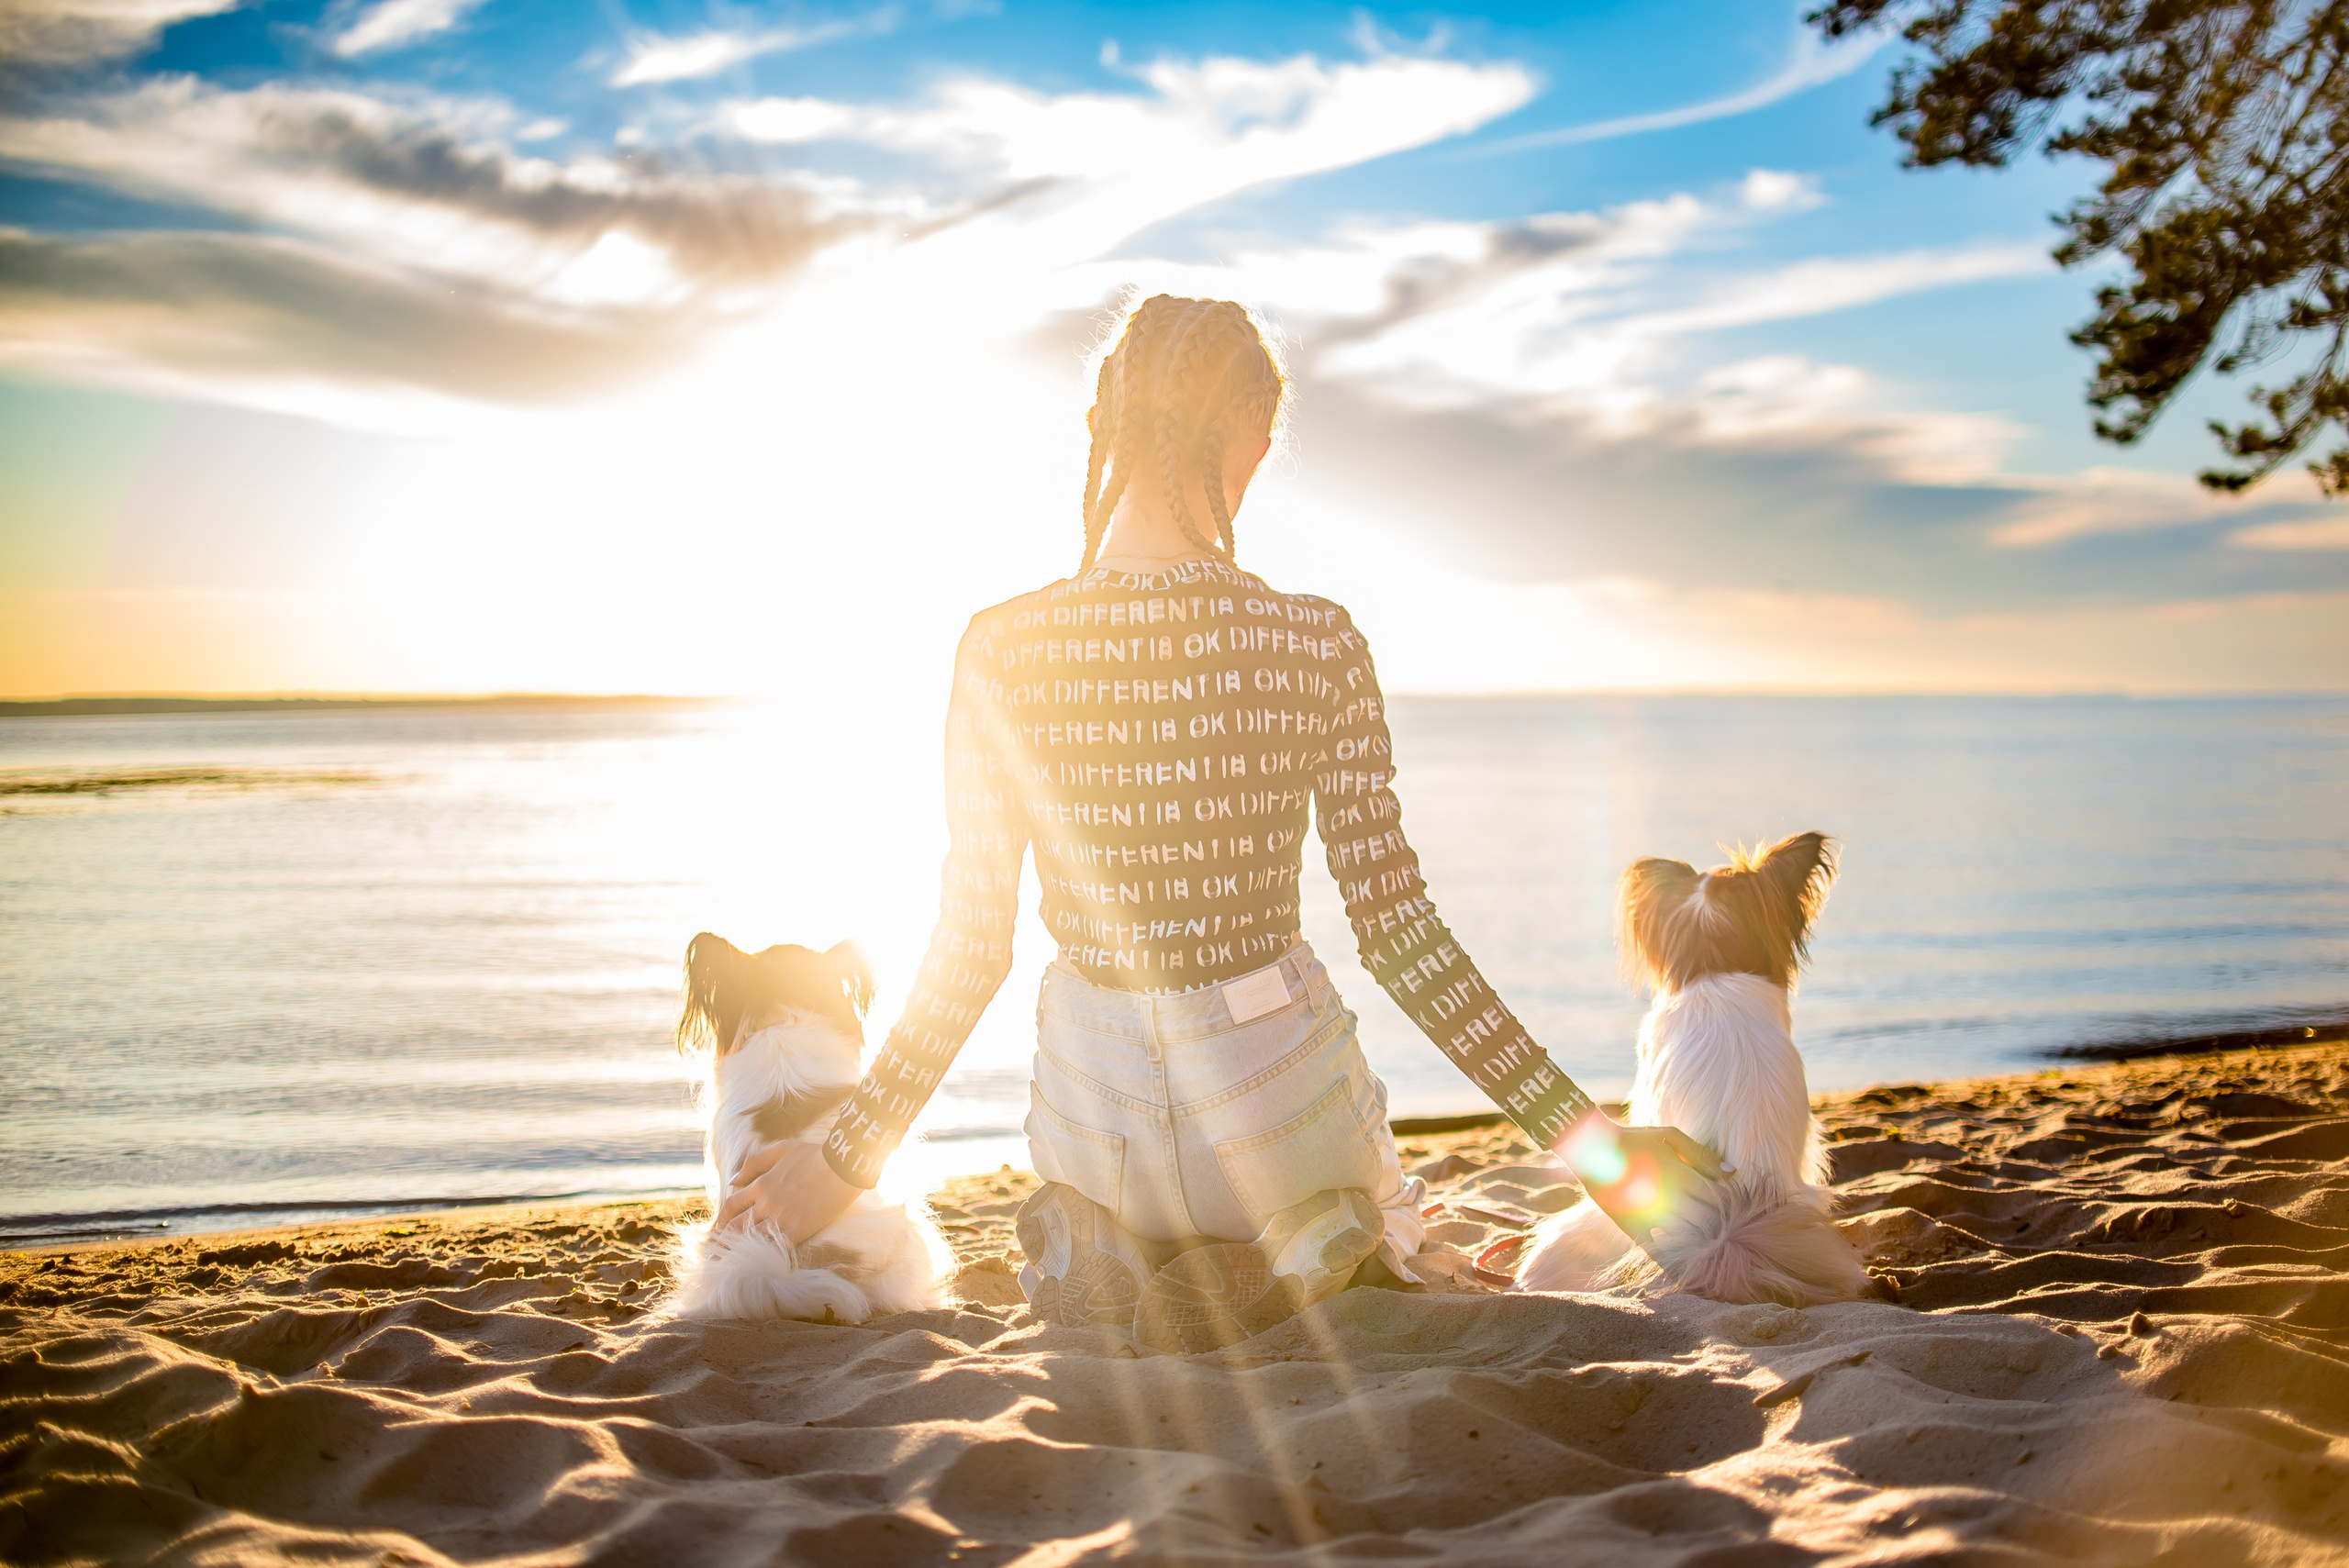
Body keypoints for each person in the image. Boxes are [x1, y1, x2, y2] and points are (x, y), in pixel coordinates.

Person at [720, 295, 1724, 1349]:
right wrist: (1599, 1149)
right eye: (1261, 442)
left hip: (1097, 1120)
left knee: (1082, 1098)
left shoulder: (1001, 647)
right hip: (1277, 1123)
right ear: (1247, 433)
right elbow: (1400, 937)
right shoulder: (1317, 640)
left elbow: (972, 946)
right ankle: (1321, 1238)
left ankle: (1107, 1241)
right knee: (1388, 1199)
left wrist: (843, 1160)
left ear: (1106, 426)